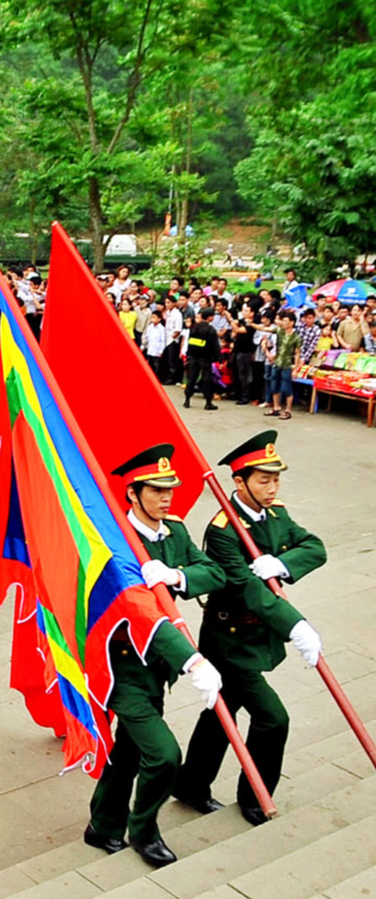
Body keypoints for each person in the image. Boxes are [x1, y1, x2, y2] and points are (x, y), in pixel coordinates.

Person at [174, 432, 326, 826]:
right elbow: (246, 590)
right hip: (230, 640)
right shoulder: (224, 529)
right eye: (263, 480)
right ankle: (255, 796)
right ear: (239, 482)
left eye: (276, 479)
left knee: (220, 713)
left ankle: (191, 785)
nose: (272, 488)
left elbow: (314, 546)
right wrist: (297, 626)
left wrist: (283, 562)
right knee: (273, 718)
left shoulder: (277, 514)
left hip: (259, 636)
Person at [85, 445, 225, 868]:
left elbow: (213, 572)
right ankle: (143, 830)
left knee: (129, 752)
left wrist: (178, 575)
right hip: (124, 670)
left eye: (171, 489)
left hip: (157, 671)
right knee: (163, 756)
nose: (167, 498)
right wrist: (192, 660)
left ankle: (102, 825)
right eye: (157, 490)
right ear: (133, 493)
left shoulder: (175, 532)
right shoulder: (115, 543)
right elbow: (144, 617)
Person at [265, 311, 300, 420]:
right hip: (277, 362)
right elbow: (266, 329)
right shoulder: (280, 331)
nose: (283, 323)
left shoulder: (296, 337)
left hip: (287, 364)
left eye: (286, 321)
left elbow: (297, 354)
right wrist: (252, 324)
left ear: (292, 323)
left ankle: (288, 410)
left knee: (287, 388)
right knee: (274, 385)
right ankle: (276, 407)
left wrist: (296, 369)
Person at [183, 309, 220, 410]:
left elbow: (190, 342)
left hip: (193, 357)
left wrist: (188, 355)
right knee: (206, 379)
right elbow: (215, 346)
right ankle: (208, 402)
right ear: (210, 317)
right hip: (205, 358)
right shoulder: (211, 330)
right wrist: (216, 357)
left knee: (191, 378)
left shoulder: (194, 327)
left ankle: (187, 399)